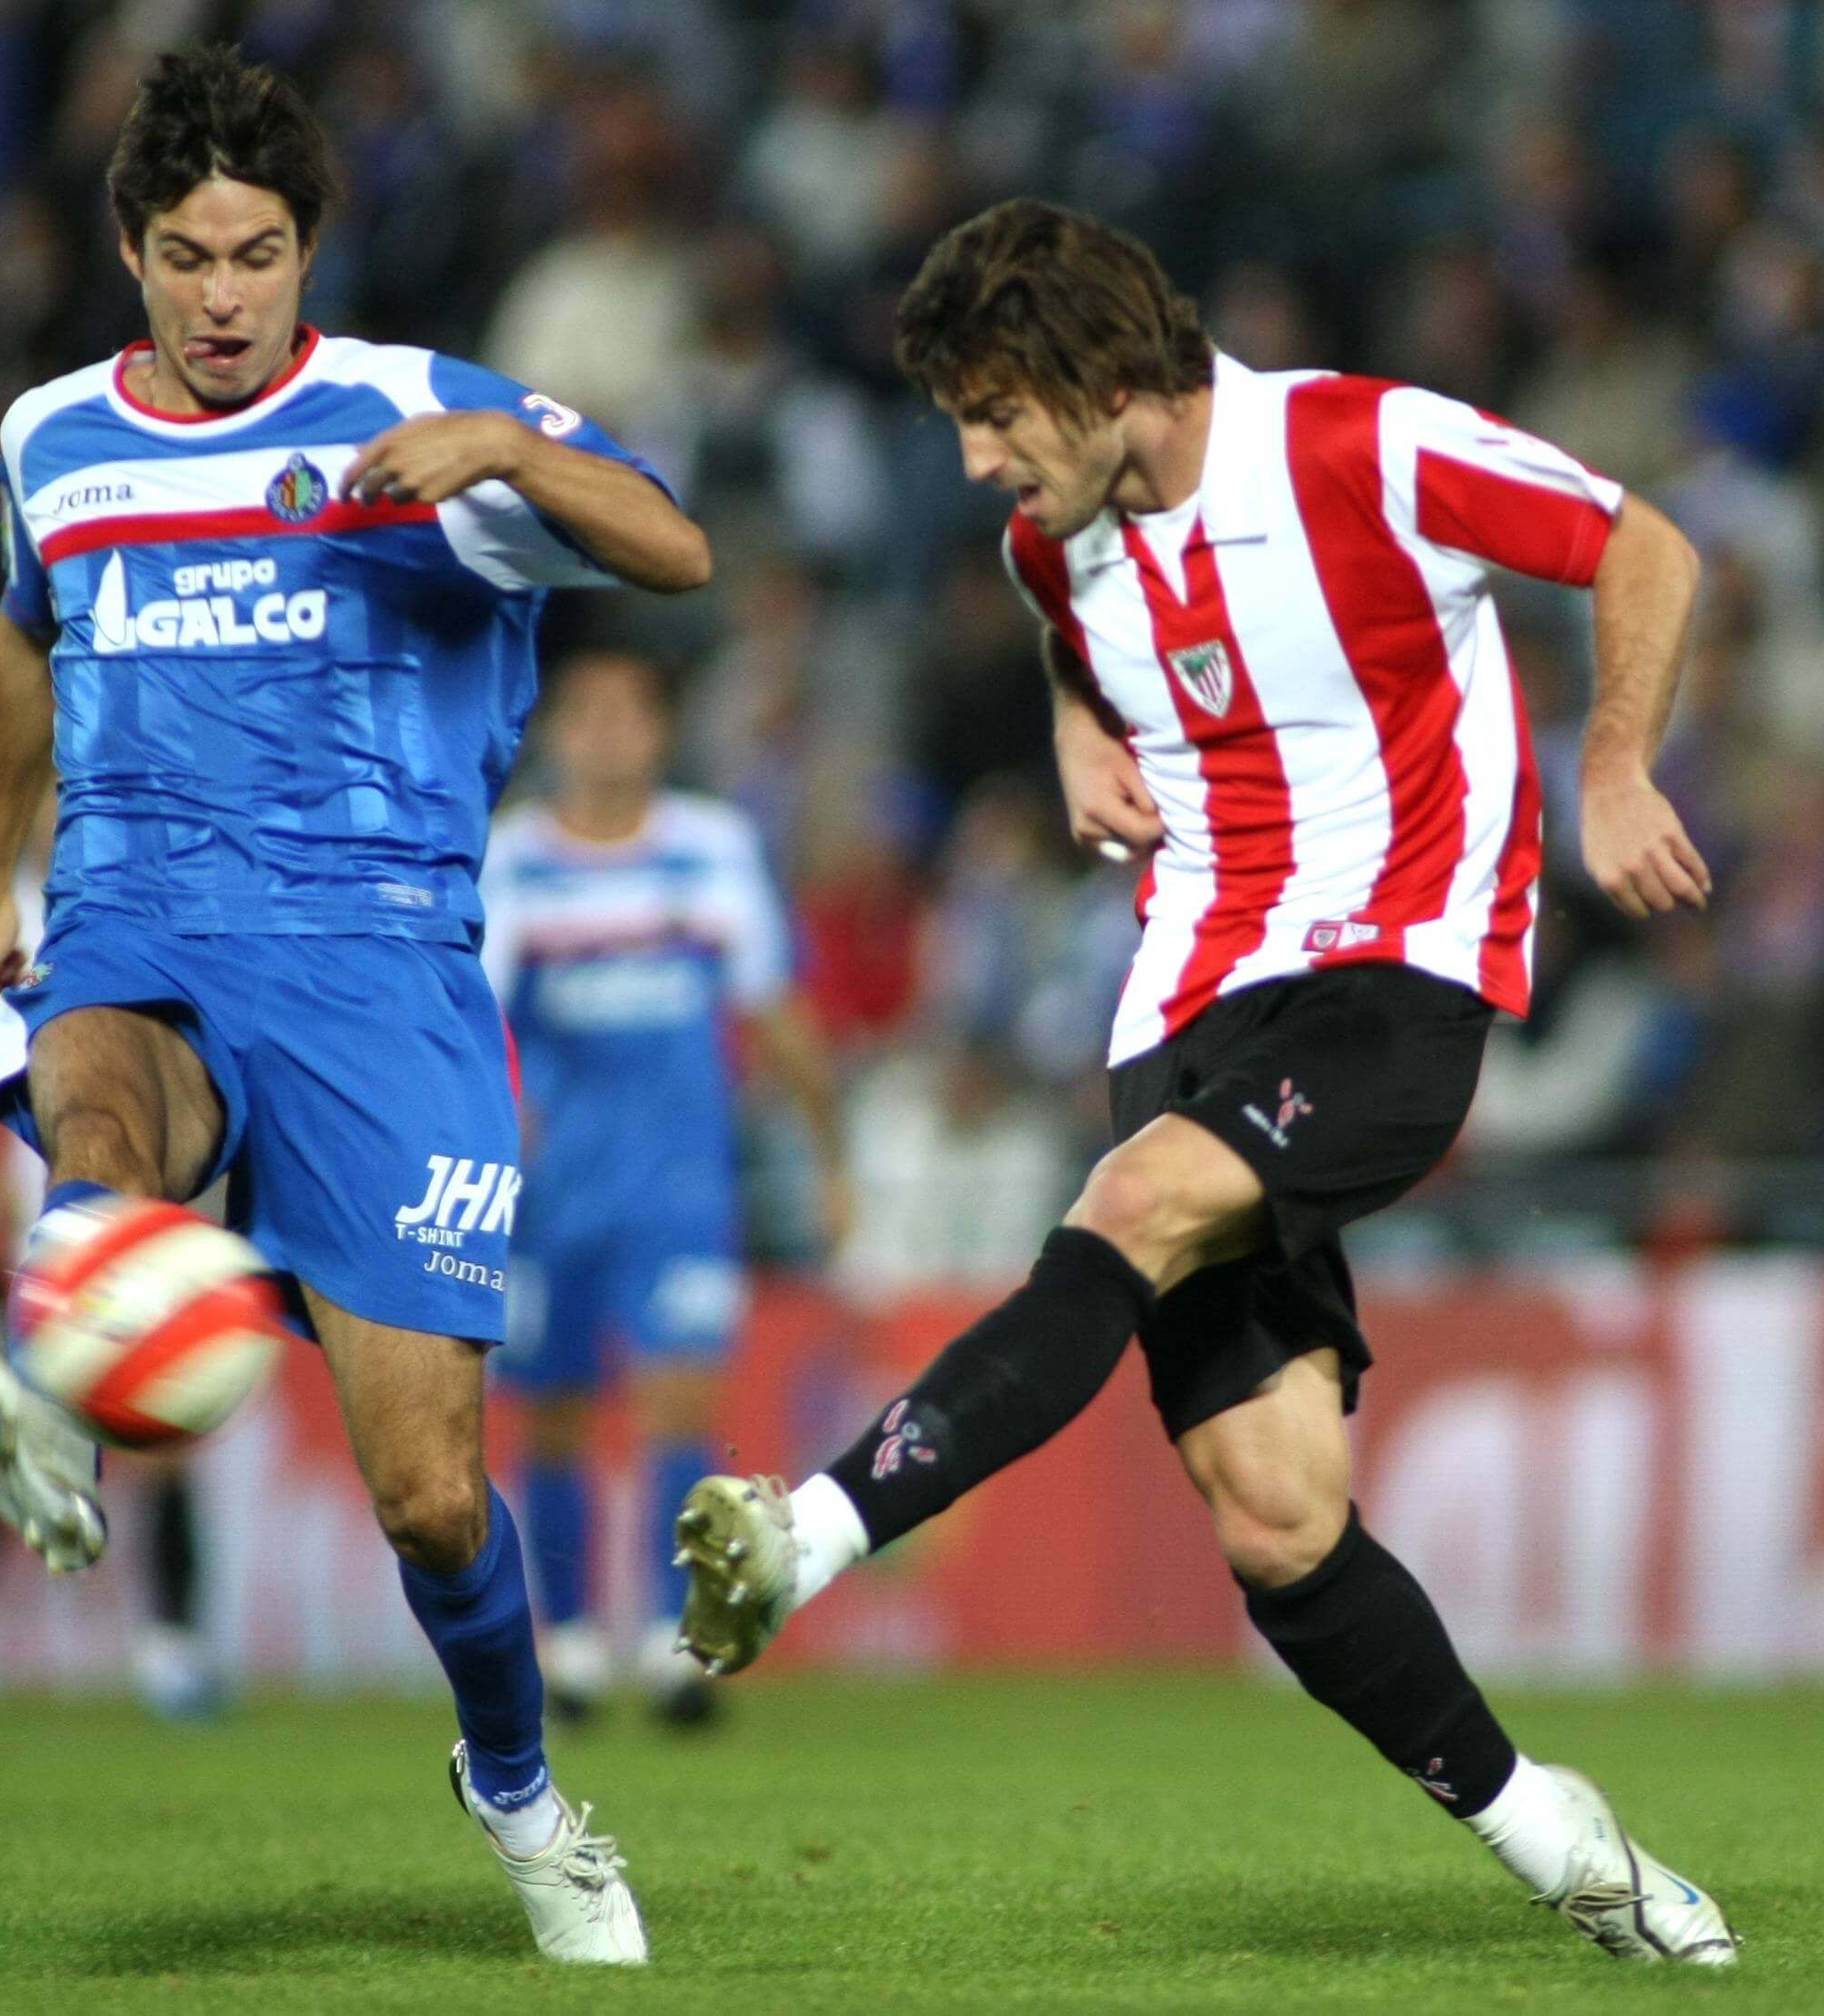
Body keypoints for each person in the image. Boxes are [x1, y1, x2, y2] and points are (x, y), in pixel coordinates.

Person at [670, 200, 1740, 1966]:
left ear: (1103, 383)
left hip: (1387, 981)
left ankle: (806, 1531)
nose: (972, 458)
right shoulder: (1056, 547)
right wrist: (1078, 728)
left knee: (1130, 1205)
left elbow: (1644, 549)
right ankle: (1566, 1844)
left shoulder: (1358, 444)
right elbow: (1063, 628)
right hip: (1183, 1013)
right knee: (1276, 1520)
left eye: (996, 413)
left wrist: (1612, 765)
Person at [0, 46, 707, 1967]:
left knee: (431, 1495)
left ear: (306, 250)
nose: (219, 296)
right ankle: (65, 1389)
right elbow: (25, 635)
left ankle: (513, 1785)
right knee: (97, 1114)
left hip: (378, 968)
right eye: (183, 255)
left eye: (256, 255)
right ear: (127, 250)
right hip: (139, 914)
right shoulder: (50, 442)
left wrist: (509, 454)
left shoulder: (413, 406)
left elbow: (678, 548)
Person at [479, 649, 843, 1726]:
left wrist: (829, 1156)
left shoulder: (711, 849)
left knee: (678, 1398)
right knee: (553, 1412)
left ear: (659, 733)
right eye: (584, 713)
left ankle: (676, 1640)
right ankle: (578, 1640)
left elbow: (774, 1006)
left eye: (625, 712)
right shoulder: (515, 861)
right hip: (550, 1189)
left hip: (682, 1183)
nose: (603, 733)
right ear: (555, 737)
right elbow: (477, 1026)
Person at [0, 831, 220, 1721]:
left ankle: (174, 1648)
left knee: (164, 1429)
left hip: (132, 1228)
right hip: (8, 1234)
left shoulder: (164, 910)